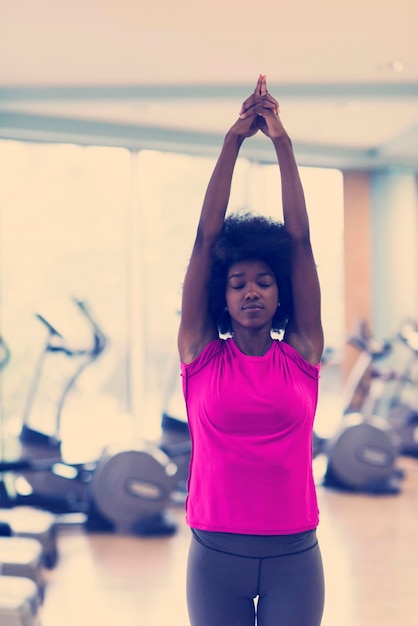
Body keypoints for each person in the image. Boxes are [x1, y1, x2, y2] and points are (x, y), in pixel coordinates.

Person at [177, 75, 325, 626]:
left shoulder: (303, 353)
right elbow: (204, 240)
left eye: (264, 280)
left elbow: (300, 241)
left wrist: (282, 144)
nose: (252, 291)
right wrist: (233, 142)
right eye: (238, 282)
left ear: (280, 291)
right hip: (214, 553)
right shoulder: (200, 354)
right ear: (223, 293)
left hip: (295, 554)